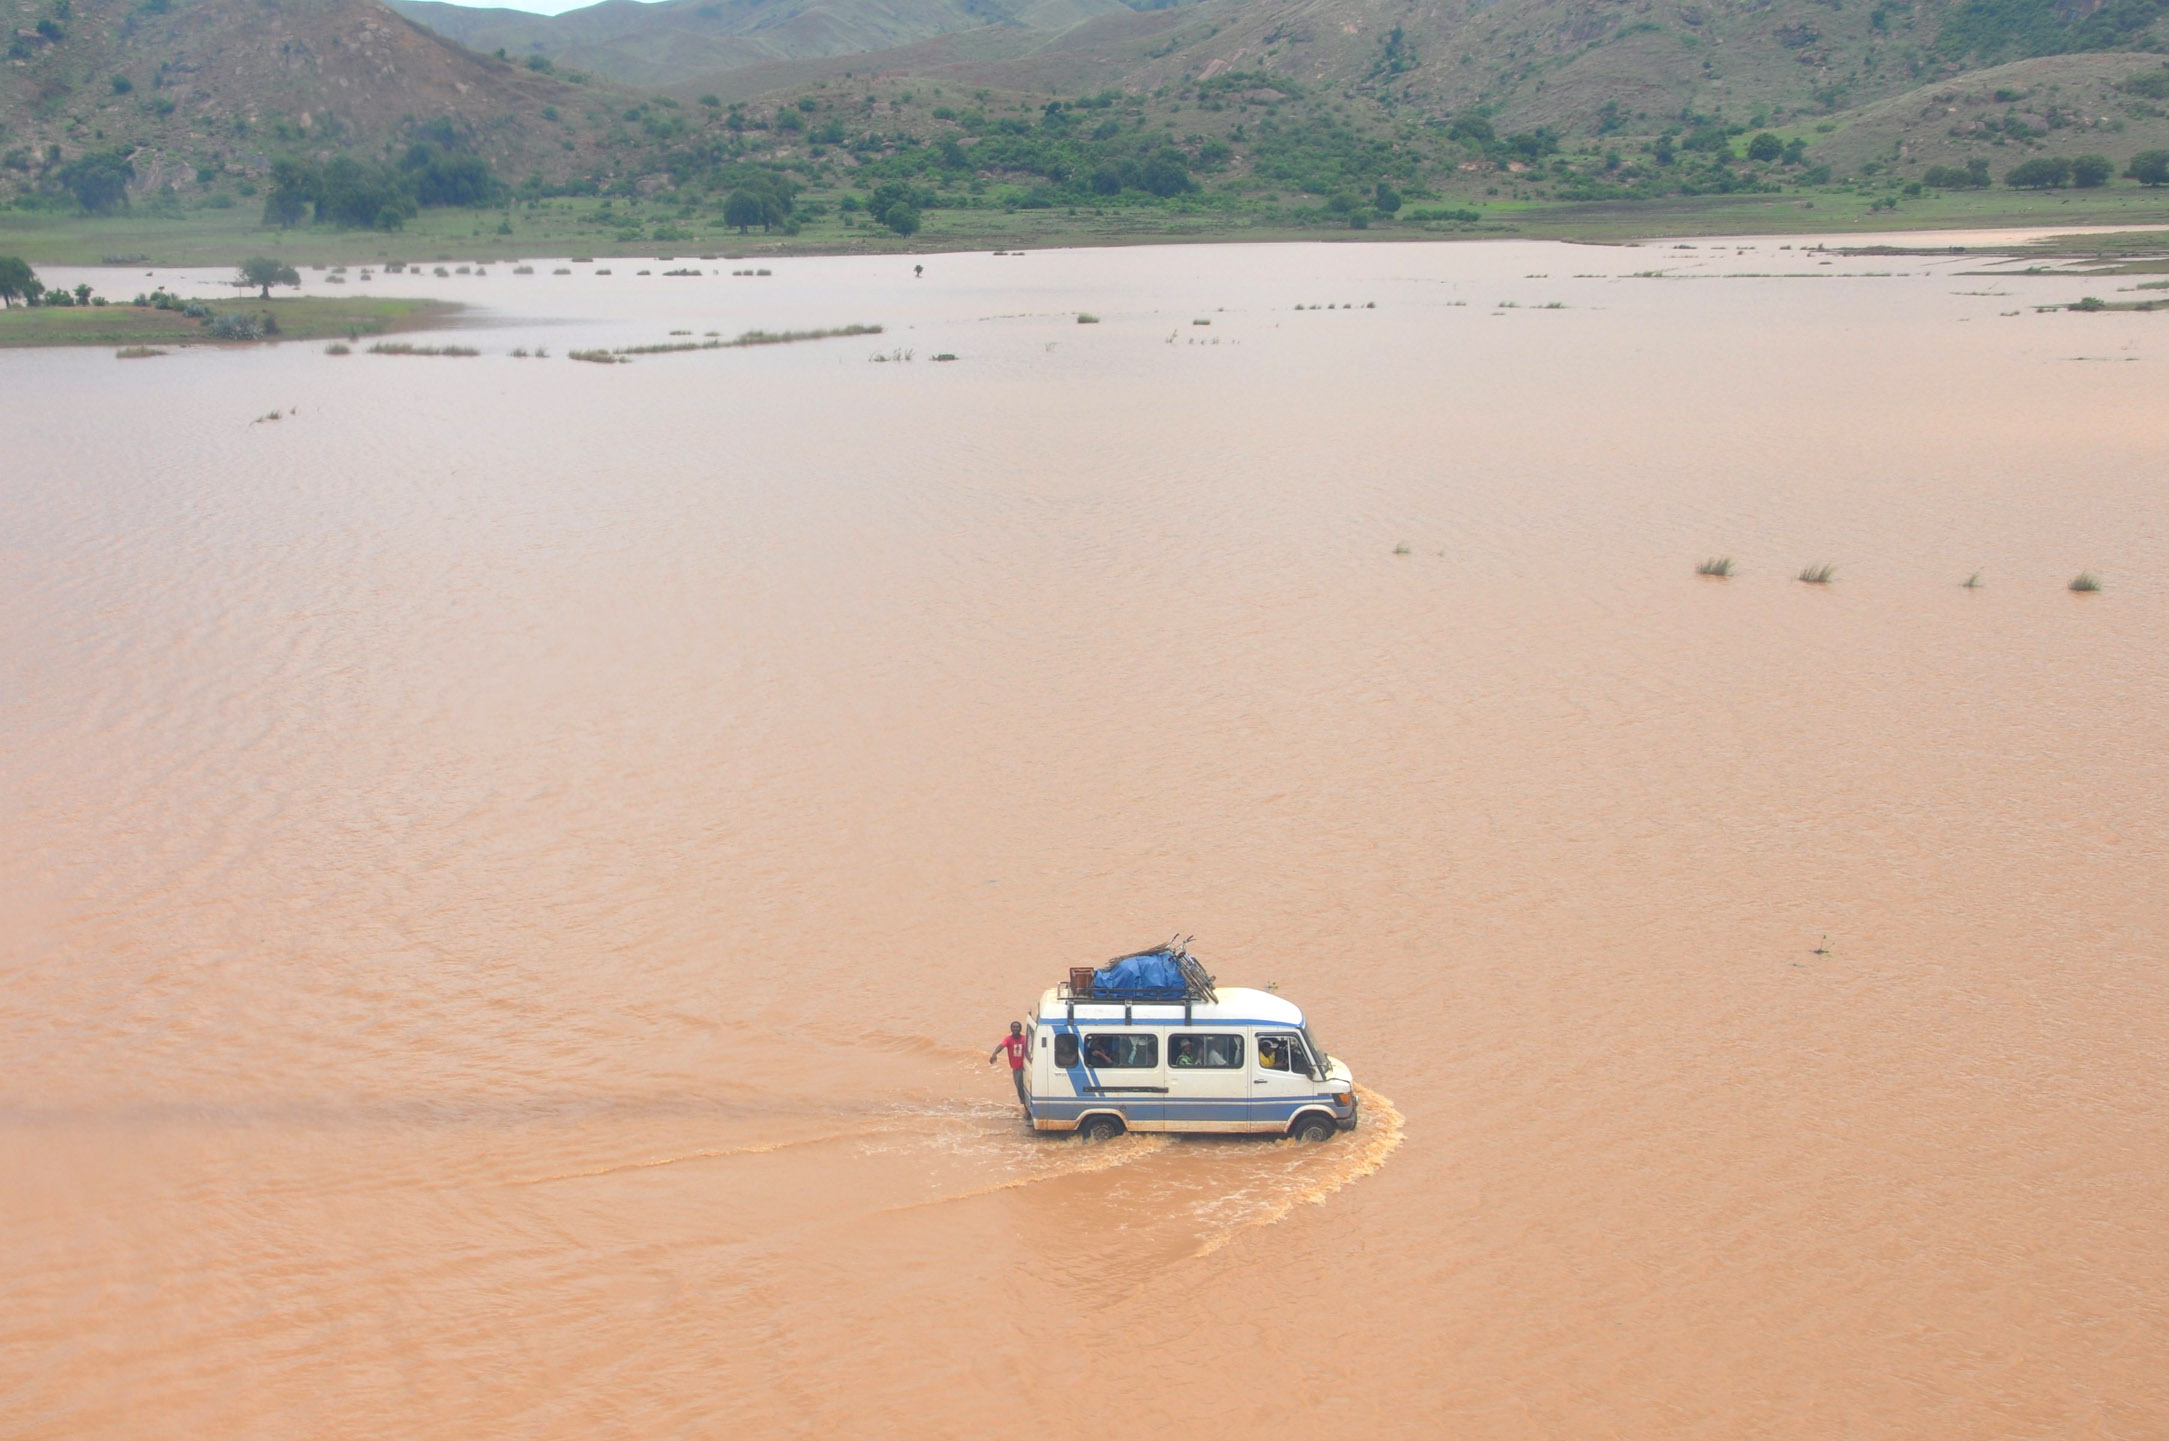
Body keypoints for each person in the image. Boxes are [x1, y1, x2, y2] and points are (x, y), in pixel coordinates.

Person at [988, 1022, 1029, 1109]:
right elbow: (1001, 1046)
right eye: (1013, 1027)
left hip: (1024, 1067)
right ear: (1011, 1029)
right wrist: (994, 1054)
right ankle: (1026, 1107)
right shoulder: (1008, 1039)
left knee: (1022, 1089)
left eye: (1017, 1027)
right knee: (1019, 1088)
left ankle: (1026, 1108)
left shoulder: (1025, 1039)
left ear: (1020, 1029)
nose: (1015, 1029)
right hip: (1016, 1068)